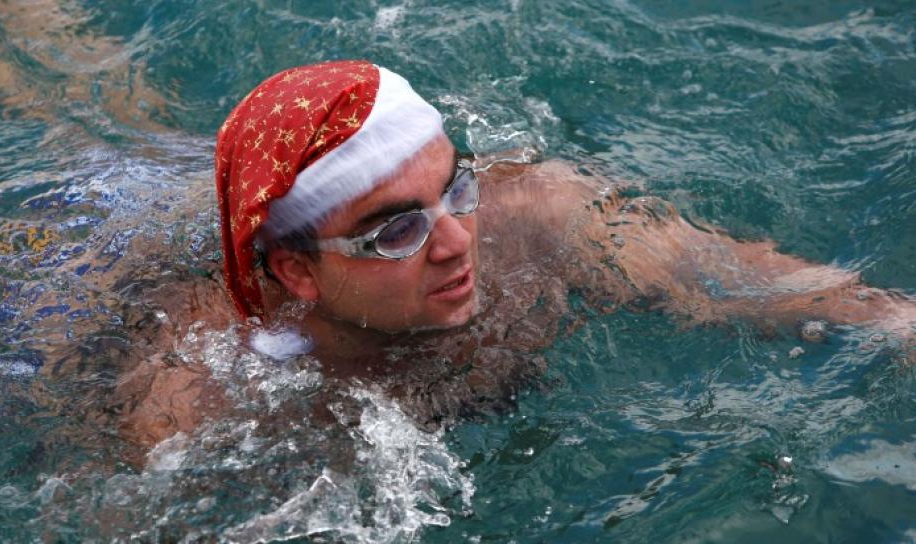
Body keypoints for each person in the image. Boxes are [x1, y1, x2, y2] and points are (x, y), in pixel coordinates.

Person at [120, 59, 915, 448]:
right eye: (399, 230)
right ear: (296, 271)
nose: (460, 240)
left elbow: (737, 281)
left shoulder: (536, 216)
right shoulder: (201, 398)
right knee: (108, 134)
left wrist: (899, 324)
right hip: (104, 235)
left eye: (454, 188)